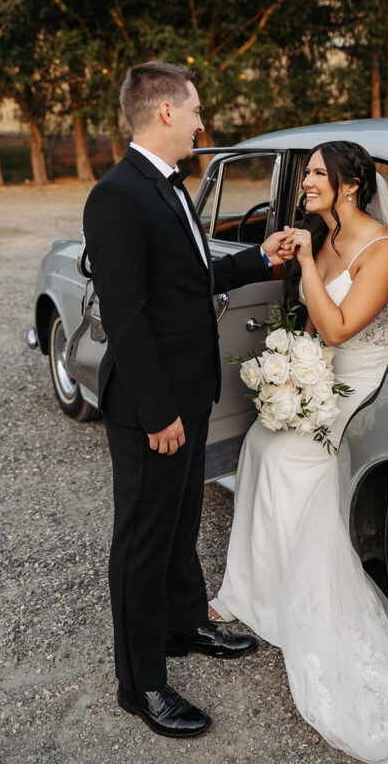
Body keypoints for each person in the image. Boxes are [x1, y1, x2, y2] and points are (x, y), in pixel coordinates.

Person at [210, 140, 388, 764]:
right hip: (320, 373)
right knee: (260, 441)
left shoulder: (382, 251)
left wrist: (302, 263)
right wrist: (285, 372)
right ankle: (258, 593)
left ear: (350, 186)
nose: (306, 184)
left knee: (291, 459)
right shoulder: (325, 236)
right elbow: (308, 330)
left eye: (317, 175)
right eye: (307, 176)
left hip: (361, 378)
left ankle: (302, 606)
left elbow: (334, 327)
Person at [83, 62, 293, 739]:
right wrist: (158, 411)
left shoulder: (167, 189)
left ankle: (182, 625)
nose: (204, 120)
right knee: (141, 539)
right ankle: (140, 683)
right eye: (196, 109)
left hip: (189, 389)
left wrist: (261, 257)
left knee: (177, 520)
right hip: (153, 402)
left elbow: (191, 277)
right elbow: (127, 314)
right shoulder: (117, 195)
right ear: (165, 112)